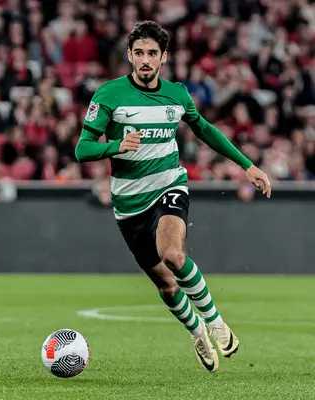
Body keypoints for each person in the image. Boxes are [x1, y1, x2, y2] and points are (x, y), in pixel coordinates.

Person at [75, 21, 272, 373]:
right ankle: (197, 331)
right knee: (167, 286)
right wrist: (116, 146)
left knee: (173, 255)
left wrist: (247, 165)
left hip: (169, 184)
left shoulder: (177, 94)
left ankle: (215, 322)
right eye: (139, 53)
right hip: (129, 204)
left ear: (164, 57)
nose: (146, 60)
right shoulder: (109, 95)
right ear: (130, 56)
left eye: (152, 53)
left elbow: (205, 130)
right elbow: (82, 149)